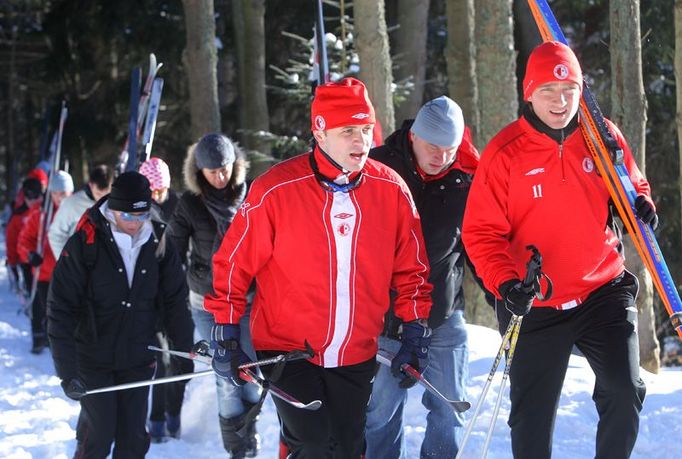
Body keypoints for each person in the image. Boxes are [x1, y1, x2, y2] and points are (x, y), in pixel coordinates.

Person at [205, 77, 434, 458]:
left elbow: (413, 269)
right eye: (349, 132)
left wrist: (415, 328)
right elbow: (233, 263)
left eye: (365, 130)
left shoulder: (390, 190)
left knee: (346, 447)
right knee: (311, 443)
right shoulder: (275, 190)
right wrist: (226, 330)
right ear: (320, 131)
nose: (361, 141)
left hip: (356, 349)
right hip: (287, 350)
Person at [462, 41, 651, 459]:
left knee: (625, 390)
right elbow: (480, 234)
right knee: (531, 420)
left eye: (570, 91)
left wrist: (641, 200)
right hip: (535, 303)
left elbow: (630, 179)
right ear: (528, 92)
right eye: (549, 91)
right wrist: (506, 284)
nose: (561, 101)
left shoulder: (600, 136)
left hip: (603, 287)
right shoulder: (504, 154)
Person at [47, 171, 194, 458]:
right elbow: (60, 307)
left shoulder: (158, 240)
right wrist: (67, 372)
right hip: (92, 357)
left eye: (141, 216)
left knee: (133, 439)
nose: (135, 224)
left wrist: (183, 351)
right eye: (128, 217)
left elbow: (176, 301)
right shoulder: (85, 241)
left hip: (136, 356)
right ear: (113, 209)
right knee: (99, 434)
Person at [365, 96, 480, 458]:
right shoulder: (376, 169)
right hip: (385, 317)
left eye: (450, 149)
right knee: (380, 414)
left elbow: (479, 245)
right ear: (413, 135)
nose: (441, 157)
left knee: (449, 410)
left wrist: (504, 291)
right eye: (433, 147)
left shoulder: (465, 180)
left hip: (442, 313)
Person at [167, 133, 259, 458]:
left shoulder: (253, 195)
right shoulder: (190, 204)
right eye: (212, 171)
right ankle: (237, 447)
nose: (220, 177)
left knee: (251, 370)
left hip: (247, 300)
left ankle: (249, 430)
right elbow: (172, 251)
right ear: (199, 171)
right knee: (227, 374)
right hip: (207, 303)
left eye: (225, 169)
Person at [139, 156, 192, 443]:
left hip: (180, 293)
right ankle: (156, 419)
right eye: (152, 190)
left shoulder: (180, 205)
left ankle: (175, 413)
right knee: (161, 358)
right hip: (151, 297)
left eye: (161, 189)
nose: (157, 195)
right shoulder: (140, 211)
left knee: (183, 359)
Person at [17, 170, 74, 354]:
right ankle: (41, 339)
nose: (60, 197)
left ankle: (60, 343)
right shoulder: (41, 213)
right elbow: (23, 241)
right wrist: (30, 255)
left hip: (68, 272)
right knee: (45, 309)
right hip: (44, 272)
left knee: (63, 312)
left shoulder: (78, 210)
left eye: (64, 193)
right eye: (56, 193)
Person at [48, 163, 113, 259]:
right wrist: (66, 263)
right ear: (91, 185)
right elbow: (55, 234)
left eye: (106, 194)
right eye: (98, 193)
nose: (101, 199)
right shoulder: (72, 203)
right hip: (82, 261)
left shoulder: (116, 204)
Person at [5, 177, 44, 295]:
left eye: (36, 196)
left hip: (48, 259)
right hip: (28, 261)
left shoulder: (48, 210)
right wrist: (12, 263)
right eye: (29, 197)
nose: (33, 201)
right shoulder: (18, 217)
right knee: (34, 294)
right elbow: (11, 242)